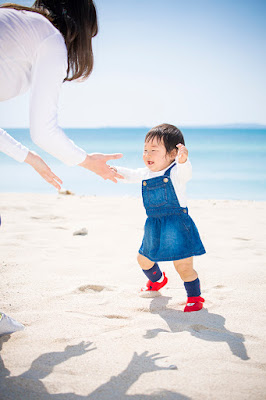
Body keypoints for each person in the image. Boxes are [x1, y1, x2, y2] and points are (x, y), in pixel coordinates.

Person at [0, 1, 123, 183]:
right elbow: (43, 132)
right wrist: (89, 162)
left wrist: (28, 157)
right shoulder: (49, 38)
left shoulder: (16, 19)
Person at [112, 124, 206, 312]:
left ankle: (195, 297)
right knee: (143, 259)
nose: (147, 154)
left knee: (183, 266)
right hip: (154, 225)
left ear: (172, 154)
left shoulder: (176, 172)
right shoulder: (147, 173)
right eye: (145, 150)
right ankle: (158, 280)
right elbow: (130, 174)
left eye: (154, 150)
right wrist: (113, 170)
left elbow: (186, 173)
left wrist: (183, 161)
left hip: (176, 224)